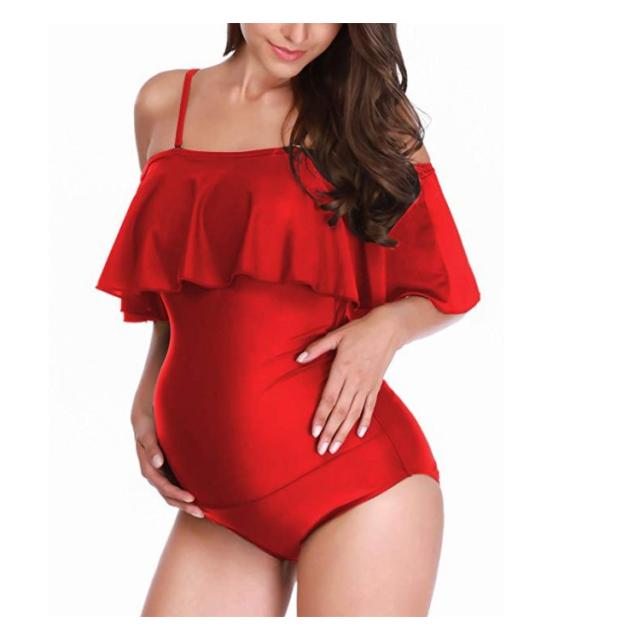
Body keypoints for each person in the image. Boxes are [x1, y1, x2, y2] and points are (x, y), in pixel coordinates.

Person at [95, 23, 481, 617]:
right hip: (214, 503)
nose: (300, 31)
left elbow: (446, 288)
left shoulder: (368, 119)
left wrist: (385, 330)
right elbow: (176, 273)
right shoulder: (163, 104)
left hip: (356, 485)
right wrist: (149, 386)